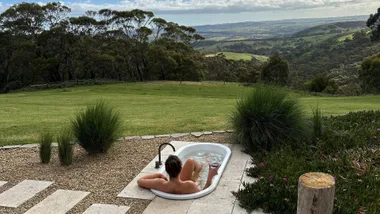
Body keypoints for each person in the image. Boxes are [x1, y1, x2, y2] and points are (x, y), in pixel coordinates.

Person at [137, 155, 220, 194]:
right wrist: (210, 177)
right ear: (181, 169)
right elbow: (203, 192)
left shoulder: (160, 183)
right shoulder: (189, 185)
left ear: (166, 170)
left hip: (174, 185)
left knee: (190, 161)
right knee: (196, 167)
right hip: (186, 186)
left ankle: (200, 167)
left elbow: (140, 181)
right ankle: (200, 167)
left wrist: (157, 174)